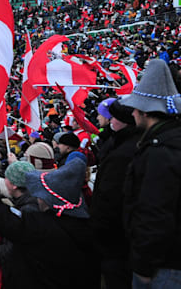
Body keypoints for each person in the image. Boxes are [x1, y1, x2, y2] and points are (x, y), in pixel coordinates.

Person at [0, 142, 99, 288]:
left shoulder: (39, 226)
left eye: (41, 193)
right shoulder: (85, 225)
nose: (37, 196)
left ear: (51, 200)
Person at [120, 59, 181, 287]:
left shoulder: (159, 152)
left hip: (164, 268)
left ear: (147, 112)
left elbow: (155, 213)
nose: (133, 113)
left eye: (136, 107)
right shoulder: (168, 142)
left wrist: (143, 265)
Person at [90, 99, 141, 289]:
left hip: (116, 242)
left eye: (113, 117)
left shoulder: (123, 153)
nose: (109, 120)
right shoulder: (119, 142)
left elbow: (110, 198)